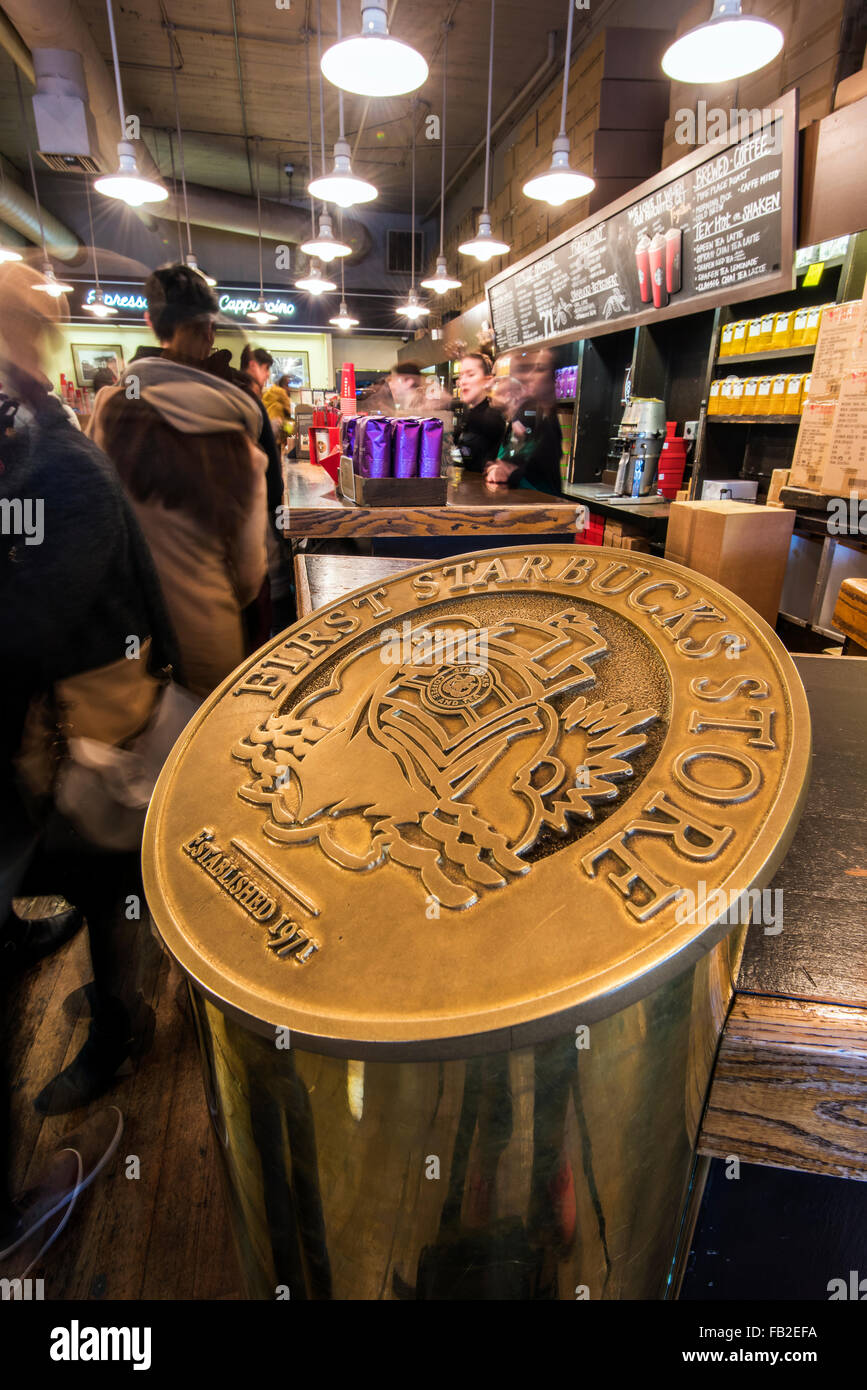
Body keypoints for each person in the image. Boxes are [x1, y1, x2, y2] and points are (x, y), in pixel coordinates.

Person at [0, 260, 180, 1119]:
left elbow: (40, 612)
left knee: (107, 873)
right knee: (91, 866)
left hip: (96, 705)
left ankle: (120, 1031)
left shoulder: (54, 452)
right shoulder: (37, 431)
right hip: (86, 698)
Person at [89, 272, 268, 698]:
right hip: (208, 636)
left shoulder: (110, 410)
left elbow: (101, 516)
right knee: (208, 755)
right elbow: (249, 569)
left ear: (152, 322)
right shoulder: (237, 431)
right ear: (210, 331)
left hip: (129, 635)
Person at [486, 348, 563, 496]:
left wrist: (508, 472)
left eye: (539, 369)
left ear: (554, 378)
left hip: (543, 510)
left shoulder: (546, 421)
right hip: (519, 507)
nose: (528, 376)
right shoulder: (526, 416)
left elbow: (534, 469)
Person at [452, 354, 506, 473]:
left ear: (487, 380)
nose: (463, 381)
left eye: (470, 375)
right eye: (461, 376)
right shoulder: (470, 414)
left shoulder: (491, 416)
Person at [262, 372, 294, 441]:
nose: (289, 389)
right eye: (287, 385)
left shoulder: (269, 393)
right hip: (277, 433)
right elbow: (288, 413)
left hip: (267, 431)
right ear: (282, 384)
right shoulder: (282, 393)